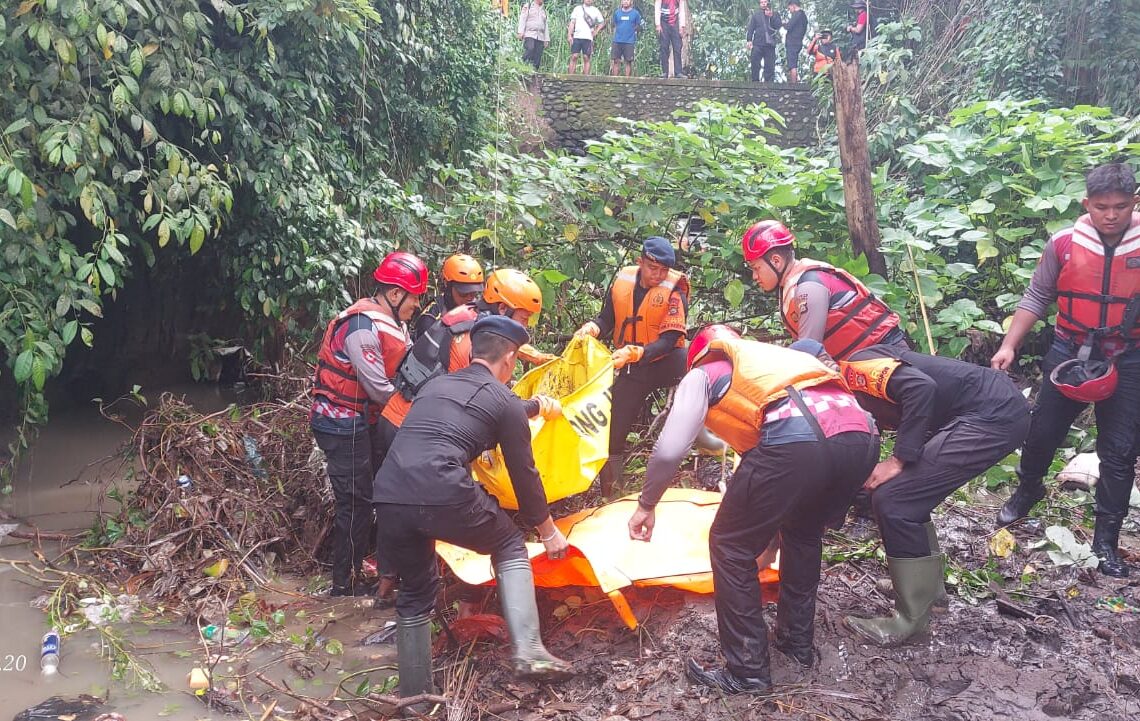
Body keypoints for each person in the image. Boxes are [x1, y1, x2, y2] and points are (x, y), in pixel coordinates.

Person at [627, 325, 879, 693]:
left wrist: (646, 504)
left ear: (701, 353)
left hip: (798, 438)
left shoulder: (704, 373)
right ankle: (796, 645)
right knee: (804, 532)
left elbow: (669, 450)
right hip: (861, 438)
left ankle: (747, 673)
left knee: (729, 546)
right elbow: (778, 486)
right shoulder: (775, 366)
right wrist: (769, 545)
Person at [375, 315, 573, 704]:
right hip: (441, 487)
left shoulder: (436, 385)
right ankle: (530, 650)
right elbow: (525, 476)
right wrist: (548, 532)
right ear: (511, 358)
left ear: (473, 351)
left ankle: (414, 700)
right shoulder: (503, 400)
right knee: (510, 544)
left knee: (415, 591)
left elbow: (467, 416)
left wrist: (531, 408)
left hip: (389, 492)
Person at [792, 339, 1030, 644]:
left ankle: (911, 622)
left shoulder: (856, 368)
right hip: (977, 414)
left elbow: (921, 388)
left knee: (895, 501)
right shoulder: (844, 391)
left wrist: (900, 459)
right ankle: (930, 592)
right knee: (902, 494)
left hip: (993, 414)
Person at [991, 162, 1140, 577]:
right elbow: (1037, 295)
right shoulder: (1064, 243)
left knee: (1120, 451)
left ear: (1135, 201)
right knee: (1042, 431)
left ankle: (1105, 541)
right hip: (1070, 348)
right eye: (1102, 206)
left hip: (1129, 354)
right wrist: (1009, 345)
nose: (1111, 215)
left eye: (1121, 206)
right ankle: (1028, 489)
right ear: (1086, 204)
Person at [310, 251, 428, 597]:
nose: (416, 305)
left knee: (377, 492)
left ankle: (368, 565)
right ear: (395, 294)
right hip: (341, 423)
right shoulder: (361, 329)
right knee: (356, 501)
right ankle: (343, 584)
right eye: (414, 297)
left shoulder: (391, 323)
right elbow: (379, 388)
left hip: (364, 421)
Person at [574, 237, 689, 496]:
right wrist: (593, 328)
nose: (658, 275)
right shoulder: (623, 281)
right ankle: (612, 492)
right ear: (640, 262)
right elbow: (607, 318)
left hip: (665, 361)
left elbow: (671, 340)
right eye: (652, 268)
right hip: (631, 366)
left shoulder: (674, 291)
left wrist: (639, 352)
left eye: (663, 270)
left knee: (695, 368)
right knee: (614, 428)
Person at [742, 219, 908, 359]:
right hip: (864, 361)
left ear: (776, 261)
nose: (755, 277)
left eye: (756, 268)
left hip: (886, 353)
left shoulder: (808, 286)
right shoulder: (791, 285)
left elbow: (808, 352)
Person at [413, 253, 485, 340]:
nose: (469, 298)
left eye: (473, 292)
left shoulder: (477, 309)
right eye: (463, 293)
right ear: (447, 283)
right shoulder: (430, 318)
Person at [745, 0, 783, 83]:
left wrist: (771, 16)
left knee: (769, 65)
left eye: (765, 2)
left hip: (770, 44)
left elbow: (778, 26)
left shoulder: (775, 14)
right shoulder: (756, 15)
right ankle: (755, 81)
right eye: (761, 2)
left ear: (768, 2)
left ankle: (769, 83)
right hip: (758, 43)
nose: (763, 4)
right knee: (755, 63)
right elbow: (751, 28)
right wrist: (749, 40)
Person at [568, 0, 606, 75]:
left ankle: (586, 78)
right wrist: (569, 35)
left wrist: (596, 31)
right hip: (577, 36)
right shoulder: (577, 9)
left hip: (588, 38)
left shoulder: (595, 10)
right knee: (574, 56)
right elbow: (572, 23)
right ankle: (570, 77)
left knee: (586, 57)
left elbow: (602, 22)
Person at [654, 0, 688, 78]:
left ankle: (678, 72)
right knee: (664, 47)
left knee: (677, 47)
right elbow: (657, 8)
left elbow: (682, 10)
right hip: (663, 22)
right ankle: (665, 72)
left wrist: (682, 26)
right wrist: (658, 24)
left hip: (675, 22)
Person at [609, 0, 643, 77]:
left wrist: (631, 33)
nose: (625, 2)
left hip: (629, 41)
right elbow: (614, 25)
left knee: (628, 61)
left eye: (627, 0)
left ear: (631, 2)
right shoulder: (617, 13)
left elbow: (637, 26)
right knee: (616, 60)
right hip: (617, 40)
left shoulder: (635, 13)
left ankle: (627, 80)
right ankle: (615, 80)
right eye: (623, 0)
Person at [517, 0, 550, 71]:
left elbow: (545, 25)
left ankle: (534, 72)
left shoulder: (543, 10)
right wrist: (520, 32)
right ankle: (521, 65)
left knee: (537, 56)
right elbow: (523, 19)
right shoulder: (528, 6)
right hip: (530, 34)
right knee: (530, 49)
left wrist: (546, 39)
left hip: (540, 36)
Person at [783, 1, 808, 83]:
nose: (789, 10)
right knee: (793, 61)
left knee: (792, 63)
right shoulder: (804, 16)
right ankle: (794, 81)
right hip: (798, 41)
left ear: (793, 6)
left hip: (793, 42)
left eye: (789, 8)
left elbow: (788, 26)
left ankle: (794, 83)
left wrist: (784, 23)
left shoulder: (797, 14)